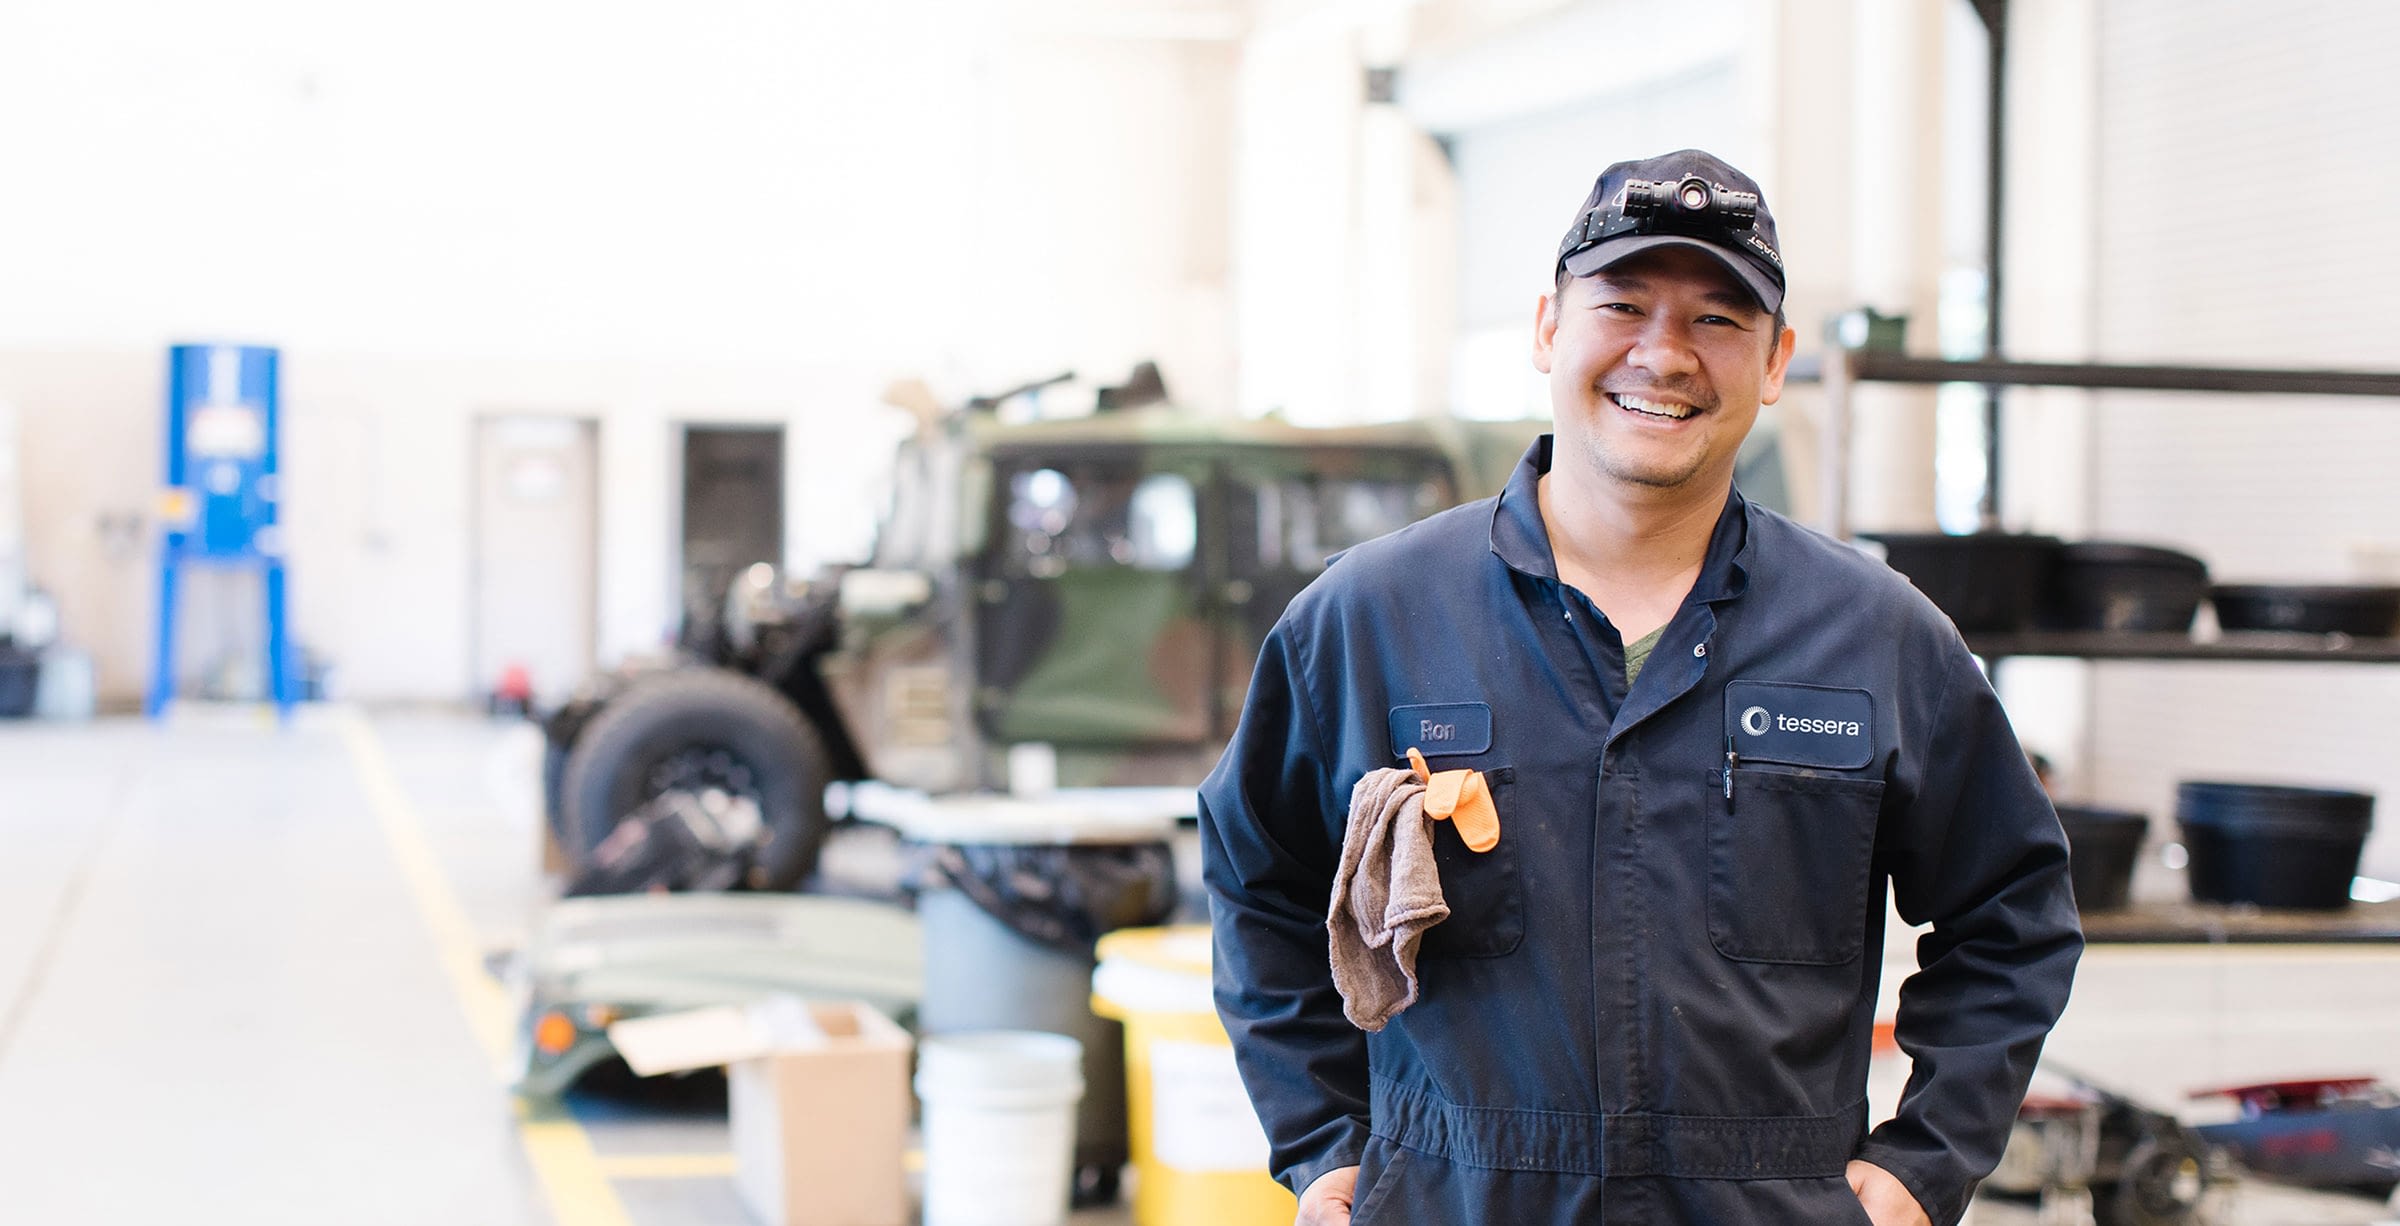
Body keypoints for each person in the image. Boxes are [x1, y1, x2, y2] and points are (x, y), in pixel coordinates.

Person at [1198, 149, 2082, 1226]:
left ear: (1775, 362)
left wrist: (1923, 1164)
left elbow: (2011, 913)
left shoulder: (1879, 638)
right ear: (1545, 328)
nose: (1664, 355)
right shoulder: (1370, 618)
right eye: (1622, 302)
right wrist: (1327, 1145)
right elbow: (1260, 879)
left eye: (1719, 319)